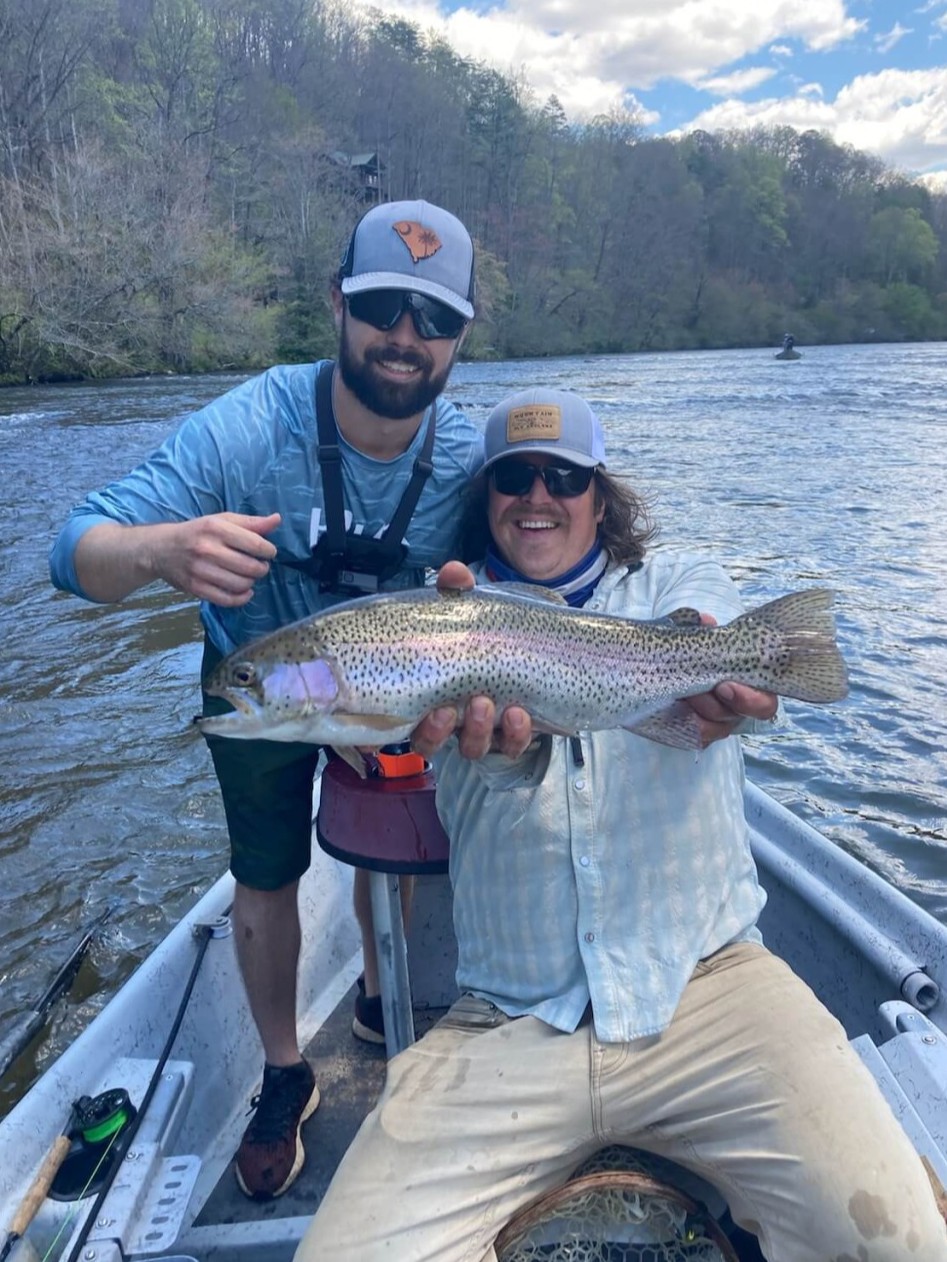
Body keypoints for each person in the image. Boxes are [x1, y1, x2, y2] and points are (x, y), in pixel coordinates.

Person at [295, 388, 946, 1260]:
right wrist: (501, 756)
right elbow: (440, 765)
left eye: (563, 477)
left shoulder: (674, 582)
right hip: (509, 1017)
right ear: (485, 500)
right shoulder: (440, 623)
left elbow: (712, 656)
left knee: (900, 1243)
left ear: (600, 497)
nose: (537, 496)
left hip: (712, 990)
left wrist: (723, 689)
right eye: (513, 478)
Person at [47, 199, 531, 1201]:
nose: (405, 336)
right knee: (265, 873)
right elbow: (73, 550)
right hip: (257, 684)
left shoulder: (468, 458)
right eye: (383, 307)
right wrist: (161, 549)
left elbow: (545, 571)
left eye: (434, 318)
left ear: (461, 335)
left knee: (385, 846)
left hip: (393, 683)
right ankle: (282, 1069)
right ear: (337, 304)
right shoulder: (249, 425)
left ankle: (375, 999)